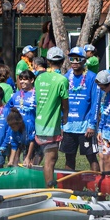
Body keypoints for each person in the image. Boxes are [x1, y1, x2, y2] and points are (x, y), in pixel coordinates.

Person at [33, 47, 70, 186]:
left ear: (48, 61)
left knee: (39, 157)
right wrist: (65, 115)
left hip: (39, 124)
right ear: (62, 61)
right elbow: (65, 104)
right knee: (50, 160)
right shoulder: (62, 80)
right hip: (51, 126)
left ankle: (34, 183)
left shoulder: (39, 78)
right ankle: (49, 189)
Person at [61, 47, 99, 172]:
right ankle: (69, 185)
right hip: (68, 126)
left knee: (91, 157)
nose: (75, 62)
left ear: (84, 61)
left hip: (85, 127)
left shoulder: (92, 78)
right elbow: (61, 102)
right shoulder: (66, 77)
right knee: (69, 158)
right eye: (72, 59)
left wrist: (92, 125)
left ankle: (96, 186)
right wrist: (61, 125)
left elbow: (95, 103)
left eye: (78, 59)